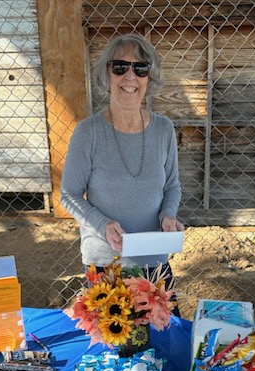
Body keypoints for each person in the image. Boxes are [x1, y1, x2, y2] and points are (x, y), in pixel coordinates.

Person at [60, 33, 184, 314]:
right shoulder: (88, 132)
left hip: (153, 261)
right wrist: (102, 224)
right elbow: (68, 194)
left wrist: (168, 215)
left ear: (149, 78)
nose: (131, 77)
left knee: (166, 343)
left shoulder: (164, 129)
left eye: (140, 69)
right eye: (120, 67)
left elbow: (172, 186)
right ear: (107, 74)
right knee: (113, 351)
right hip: (106, 264)